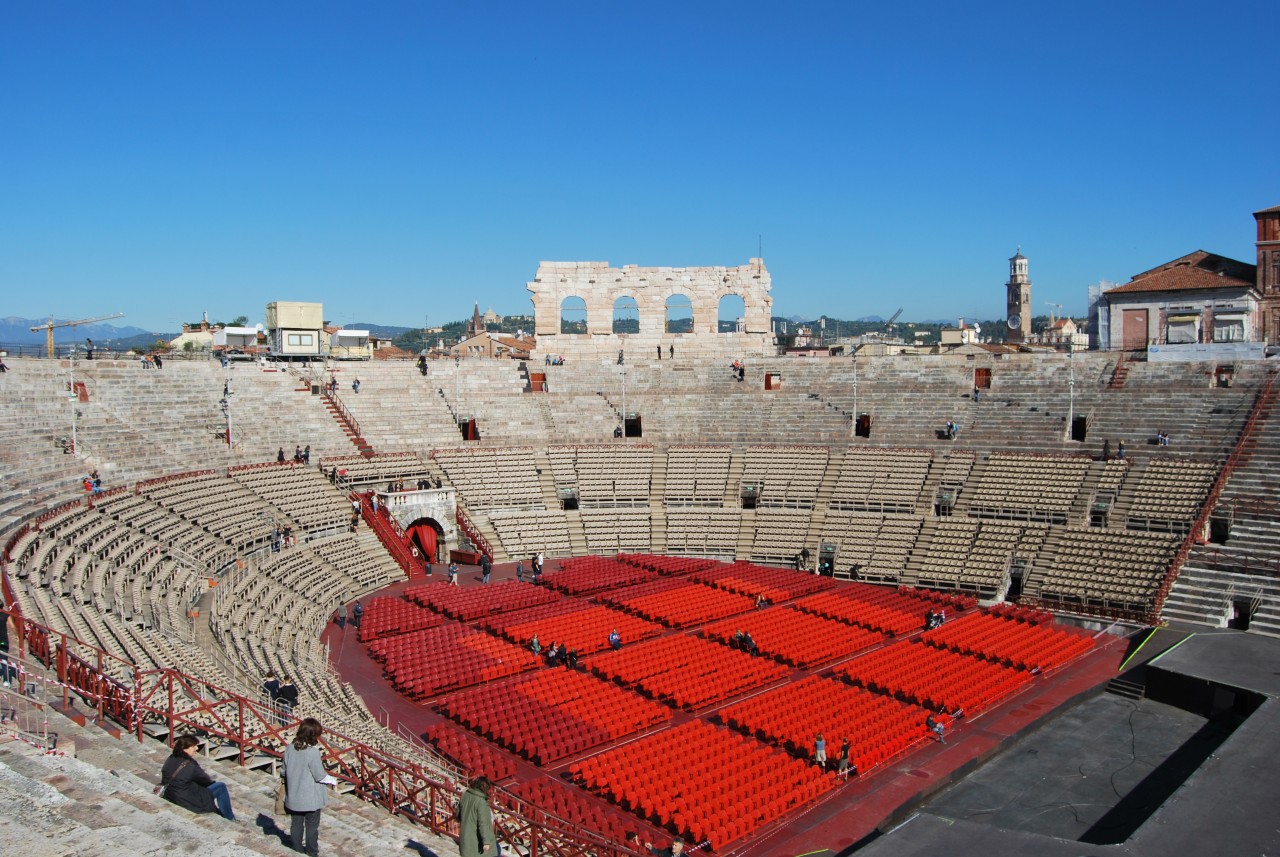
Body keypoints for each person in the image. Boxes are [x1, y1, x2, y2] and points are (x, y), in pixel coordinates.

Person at [283, 717, 330, 856]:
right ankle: (312, 853)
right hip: (310, 798)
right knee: (311, 827)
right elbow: (319, 775)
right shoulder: (312, 752)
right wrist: (332, 780)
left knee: (296, 824)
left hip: (294, 795)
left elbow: (283, 771)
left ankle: (297, 850)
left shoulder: (289, 748)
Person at [160, 734, 236, 820]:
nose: (197, 748)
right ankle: (231, 818)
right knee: (220, 787)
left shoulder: (171, 758)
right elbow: (206, 780)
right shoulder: (190, 764)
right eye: (193, 746)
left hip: (171, 794)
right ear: (185, 748)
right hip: (186, 799)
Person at [457, 776, 499, 857]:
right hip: (477, 841)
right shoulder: (481, 802)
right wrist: (486, 841)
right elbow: (483, 823)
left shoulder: (465, 795)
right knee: (496, 850)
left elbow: (458, 815)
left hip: (465, 838)